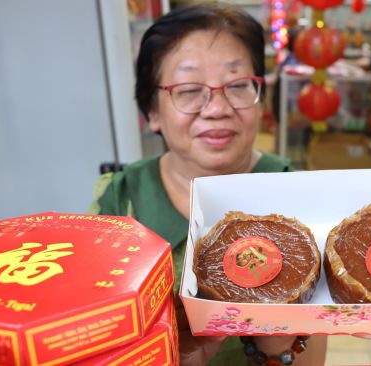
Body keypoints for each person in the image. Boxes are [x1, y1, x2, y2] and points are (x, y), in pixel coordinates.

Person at [89, 4, 327, 365]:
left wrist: (278, 348)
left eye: (237, 85)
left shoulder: (297, 198)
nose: (216, 108)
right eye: (188, 90)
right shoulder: (118, 202)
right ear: (152, 110)